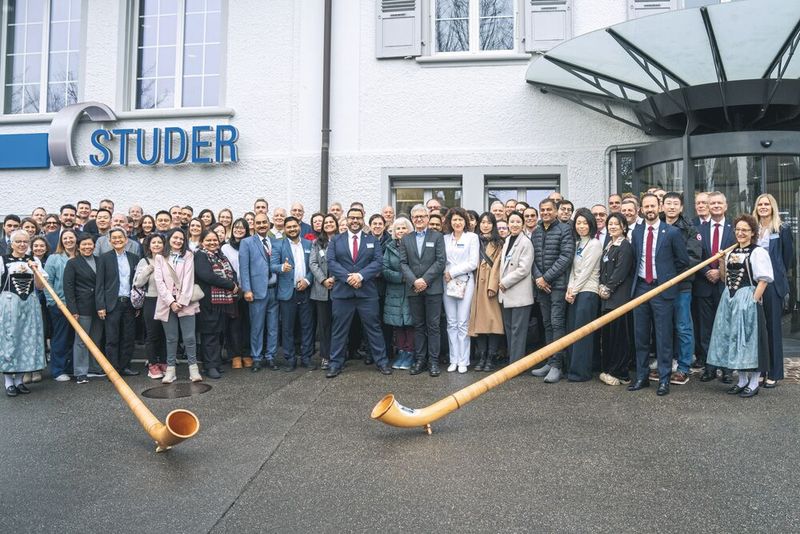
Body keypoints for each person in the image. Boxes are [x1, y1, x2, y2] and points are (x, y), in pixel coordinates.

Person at [628, 194, 690, 397]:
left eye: (653, 205)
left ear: (659, 207)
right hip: (641, 290)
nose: (650, 209)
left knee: (664, 337)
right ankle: (642, 377)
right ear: (641, 210)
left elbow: (682, 261)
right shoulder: (636, 232)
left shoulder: (671, 232)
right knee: (641, 336)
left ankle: (664, 380)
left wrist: (667, 279)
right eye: (646, 206)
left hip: (662, 290)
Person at [706, 215, 774, 398]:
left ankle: (753, 382)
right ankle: (742, 380)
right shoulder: (731, 252)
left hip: (748, 298)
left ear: (752, 233)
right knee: (734, 339)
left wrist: (752, 300)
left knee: (750, 340)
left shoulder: (758, 252)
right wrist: (721, 261)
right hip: (729, 298)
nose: (741, 233)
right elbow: (723, 277)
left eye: (745, 230)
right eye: (738, 229)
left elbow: (763, 280)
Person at [324, 208, 392, 378]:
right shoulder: (336, 240)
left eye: (358, 218)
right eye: (352, 218)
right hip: (342, 293)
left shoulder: (372, 240)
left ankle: (382, 362)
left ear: (363, 220)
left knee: (374, 328)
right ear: (347, 220)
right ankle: (335, 364)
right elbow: (331, 262)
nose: (355, 221)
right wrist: (348, 278)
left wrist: (361, 275)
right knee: (339, 330)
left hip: (367, 293)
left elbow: (378, 262)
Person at [399, 204, 446, 376]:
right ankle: (420, 360)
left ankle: (433, 362)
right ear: (412, 219)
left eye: (422, 216)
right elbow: (403, 263)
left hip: (433, 288)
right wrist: (414, 281)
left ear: (427, 218)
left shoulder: (438, 236)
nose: (419, 219)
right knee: (418, 326)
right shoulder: (406, 239)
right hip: (414, 289)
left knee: (433, 326)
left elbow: (441, 261)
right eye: (416, 216)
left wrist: (424, 280)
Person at [530, 198, 574, 383]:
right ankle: (550, 360)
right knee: (547, 324)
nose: (546, 212)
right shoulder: (537, 231)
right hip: (542, 286)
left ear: (556, 211)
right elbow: (531, 257)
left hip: (557, 285)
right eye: (543, 209)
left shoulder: (565, 230)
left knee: (557, 323)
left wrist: (546, 278)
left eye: (549, 209)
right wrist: (538, 278)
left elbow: (566, 257)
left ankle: (557, 365)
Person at [753, 193, 794, 387]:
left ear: (772, 207)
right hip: (754, 284)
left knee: (773, 329)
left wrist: (775, 275)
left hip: (773, 285)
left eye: (766, 204)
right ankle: (761, 370)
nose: (763, 207)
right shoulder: (753, 228)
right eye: (760, 204)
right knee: (758, 329)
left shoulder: (782, 228)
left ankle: (775, 373)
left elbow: (787, 258)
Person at [661, 192, 701, 385]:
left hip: (682, 285)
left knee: (683, 326)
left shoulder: (689, 229)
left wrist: (670, 271)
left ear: (681, 207)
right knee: (663, 328)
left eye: (675, 204)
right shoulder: (655, 227)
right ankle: (665, 366)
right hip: (657, 287)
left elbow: (693, 257)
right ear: (662, 206)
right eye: (668, 203)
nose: (671, 207)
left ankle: (684, 367)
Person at [695, 191, 735, 384]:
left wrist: (720, 272)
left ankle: (726, 369)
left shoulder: (734, 228)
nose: (716, 206)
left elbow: (738, 255)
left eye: (720, 203)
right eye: (713, 203)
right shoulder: (699, 229)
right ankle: (709, 367)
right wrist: (707, 272)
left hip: (726, 285)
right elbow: (695, 257)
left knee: (726, 326)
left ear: (726, 206)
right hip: (704, 285)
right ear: (708, 207)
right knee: (706, 328)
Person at [1, 230, 47, 396]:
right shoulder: (2, 260)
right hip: (9, 304)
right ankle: (8, 382)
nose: (22, 245)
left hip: (30, 304)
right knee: (9, 339)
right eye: (18, 241)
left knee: (27, 339)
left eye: (25, 242)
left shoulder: (33, 260)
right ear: (11, 243)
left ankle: (19, 380)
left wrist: (35, 270)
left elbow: (41, 286)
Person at [154, 228, 201, 382]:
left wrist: (180, 301)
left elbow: (189, 278)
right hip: (166, 303)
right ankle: (171, 370)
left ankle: (193, 369)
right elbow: (159, 282)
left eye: (181, 239)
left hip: (185, 301)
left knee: (189, 337)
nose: (178, 241)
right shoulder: (160, 257)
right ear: (169, 239)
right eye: (175, 238)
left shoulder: (188, 255)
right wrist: (171, 301)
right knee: (171, 338)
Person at [563, 208, 602, 382]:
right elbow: (573, 270)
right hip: (576, 292)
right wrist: (570, 290)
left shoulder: (594, 244)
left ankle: (581, 372)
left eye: (584, 223)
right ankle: (572, 368)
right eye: (578, 223)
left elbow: (586, 272)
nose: (581, 226)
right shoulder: (578, 243)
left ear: (591, 224)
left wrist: (575, 290)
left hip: (588, 292)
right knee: (572, 331)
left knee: (583, 334)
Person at [96, 227, 140, 376]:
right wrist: (100, 305)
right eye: (113, 238)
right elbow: (99, 284)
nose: (117, 240)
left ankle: (125, 366)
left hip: (129, 303)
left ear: (126, 240)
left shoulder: (134, 258)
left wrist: (138, 303)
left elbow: (138, 282)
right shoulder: (104, 258)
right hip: (111, 304)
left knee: (128, 337)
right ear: (109, 241)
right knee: (112, 338)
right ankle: (113, 370)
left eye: (120, 237)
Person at [272, 216, 315, 370]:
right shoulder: (278, 245)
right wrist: (281, 268)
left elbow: (313, 267)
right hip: (287, 292)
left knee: (307, 326)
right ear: (284, 229)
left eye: (294, 226)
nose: (292, 229)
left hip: (305, 290)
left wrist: (307, 281)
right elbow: (272, 265)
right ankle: (290, 359)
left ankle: (306, 358)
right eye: (288, 227)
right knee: (288, 328)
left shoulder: (309, 244)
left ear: (299, 227)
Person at [194, 230, 238, 379]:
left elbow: (232, 272)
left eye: (215, 240)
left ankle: (216, 363)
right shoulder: (200, 255)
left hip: (222, 301)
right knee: (209, 334)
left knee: (218, 333)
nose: (212, 243)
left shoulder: (220, 255)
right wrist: (231, 286)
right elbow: (207, 276)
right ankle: (210, 366)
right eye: (208, 240)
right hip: (208, 301)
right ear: (202, 242)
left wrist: (234, 283)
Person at [240, 213, 280, 371]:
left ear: (269, 223)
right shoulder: (247, 242)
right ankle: (256, 357)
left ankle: (270, 356)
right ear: (254, 225)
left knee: (273, 326)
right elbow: (244, 268)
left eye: (265, 222)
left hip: (274, 290)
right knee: (257, 327)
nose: (262, 225)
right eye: (259, 223)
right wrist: (247, 289)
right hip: (256, 292)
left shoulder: (276, 242)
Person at [441, 207, 479, 373]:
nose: (457, 223)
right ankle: (453, 359)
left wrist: (452, 272)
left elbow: (473, 263)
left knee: (463, 322)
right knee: (451, 323)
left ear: (465, 222)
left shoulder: (472, 237)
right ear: (450, 222)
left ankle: (463, 360)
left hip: (465, 281)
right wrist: (446, 272)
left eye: (460, 220)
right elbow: (441, 260)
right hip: (447, 283)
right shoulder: (444, 239)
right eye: (454, 220)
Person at [598, 213, 634, 385]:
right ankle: (609, 369)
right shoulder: (609, 245)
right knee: (608, 336)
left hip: (618, 297)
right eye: (610, 224)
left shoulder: (625, 246)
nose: (612, 227)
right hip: (606, 298)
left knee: (619, 336)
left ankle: (620, 372)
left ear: (623, 227)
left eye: (616, 224)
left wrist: (608, 288)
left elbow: (621, 270)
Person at [63, 234, 103, 384]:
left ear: (94, 246)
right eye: (84, 245)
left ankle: (94, 368)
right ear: (79, 247)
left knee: (96, 339)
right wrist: (73, 309)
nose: (87, 247)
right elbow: (68, 288)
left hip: (99, 307)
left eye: (90, 244)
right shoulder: (72, 263)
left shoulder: (100, 261)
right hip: (81, 307)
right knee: (81, 340)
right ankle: (80, 372)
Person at [469, 212, 504, 371]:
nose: (485, 225)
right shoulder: (474, 241)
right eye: (482, 222)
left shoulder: (499, 243)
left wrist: (492, 286)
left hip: (490, 286)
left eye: (489, 222)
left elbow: (498, 266)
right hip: (475, 286)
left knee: (493, 323)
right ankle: (482, 357)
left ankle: (491, 357)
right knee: (480, 324)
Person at [498, 211, 534, 364]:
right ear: (508, 223)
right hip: (506, 294)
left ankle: (516, 364)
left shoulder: (526, 242)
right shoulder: (507, 241)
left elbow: (524, 269)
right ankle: (512, 361)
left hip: (519, 294)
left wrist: (505, 282)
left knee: (518, 331)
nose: (514, 224)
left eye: (518, 222)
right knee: (509, 329)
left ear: (523, 224)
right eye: (512, 221)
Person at [44, 229, 78, 382]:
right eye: (65, 238)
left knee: (75, 338)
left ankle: (71, 367)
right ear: (61, 241)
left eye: (71, 237)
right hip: (60, 304)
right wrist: (53, 302)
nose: (68, 240)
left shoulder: (81, 257)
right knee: (61, 338)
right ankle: (58, 370)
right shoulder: (54, 258)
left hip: (78, 305)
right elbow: (47, 281)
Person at [133, 233, 168, 379]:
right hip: (151, 300)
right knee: (152, 334)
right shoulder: (144, 261)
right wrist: (149, 269)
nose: (157, 245)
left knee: (165, 334)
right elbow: (138, 283)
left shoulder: (168, 260)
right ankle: (152, 365)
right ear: (149, 245)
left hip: (167, 301)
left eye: (160, 242)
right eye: (154, 242)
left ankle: (164, 362)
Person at [383, 218, 415, 370]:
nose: (401, 231)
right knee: (399, 324)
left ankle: (410, 353)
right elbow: (385, 269)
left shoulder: (414, 246)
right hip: (395, 290)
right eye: (398, 228)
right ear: (394, 231)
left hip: (411, 289)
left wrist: (409, 278)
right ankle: (401, 352)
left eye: (404, 228)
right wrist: (400, 277)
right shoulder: (389, 247)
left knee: (410, 324)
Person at [221, 217, 251, 369]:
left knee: (247, 323)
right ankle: (235, 354)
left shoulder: (250, 245)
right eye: (236, 227)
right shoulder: (225, 248)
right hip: (231, 290)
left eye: (242, 228)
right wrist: (233, 285)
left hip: (247, 290)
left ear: (246, 230)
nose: (239, 230)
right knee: (233, 324)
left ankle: (246, 353)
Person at [310, 214, 338, 370]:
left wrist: (334, 278)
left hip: (338, 288)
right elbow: (313, 263)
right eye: (325, 222)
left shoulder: (342, 240)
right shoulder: (316, 243)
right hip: (321, 290)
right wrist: (323, 280)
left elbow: (345, 262)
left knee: (338, 324)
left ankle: (337, 354)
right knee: (324, 325)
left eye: (331, 222)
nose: (328, 224)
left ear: (336, 224)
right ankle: (325, 356)